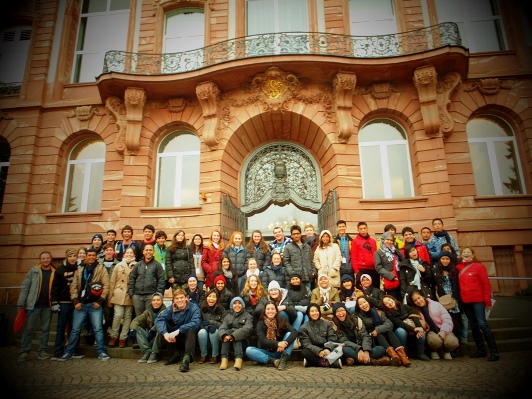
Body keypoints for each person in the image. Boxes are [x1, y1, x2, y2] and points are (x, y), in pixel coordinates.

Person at [58, 248, 110, 361]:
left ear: (96, 257)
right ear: (85, 256)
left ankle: (101, 352)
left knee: (98, 329)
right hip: (80, 305)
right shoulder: (80, 269)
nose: (91, 257)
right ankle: (69, 352)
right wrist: (75, 301)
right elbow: (73, 286)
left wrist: (100, 301)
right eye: (89, 255)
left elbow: (106, 285)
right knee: (75, 329)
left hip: (95, 305)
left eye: (93, 255)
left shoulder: (101, 269)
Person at [457, 246, 499, 361]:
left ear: (473, 254)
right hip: (465, 300)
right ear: (461, 255)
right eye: (464, 252)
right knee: (473, 325)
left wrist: (487, 301)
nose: (466, 254)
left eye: (468, 252)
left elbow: (486, 284)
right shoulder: (458, 267)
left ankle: (494, 352)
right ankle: (481, 350)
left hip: (478, 300)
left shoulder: (479, 267)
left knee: (482, 324)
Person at [17, 251, 56, 362]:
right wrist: (21, 304)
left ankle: (42, 351)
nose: (45, 260)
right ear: (40, 259)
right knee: (29, 329)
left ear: (51, 259)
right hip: (33, 306)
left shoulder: (54, 272)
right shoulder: (34, 271)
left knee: (45, 330)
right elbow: (25, 287)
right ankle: (24, 351)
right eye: (43, 258)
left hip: (47, 306)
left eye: (47, 258)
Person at [355, 296, 410, 367]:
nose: (364, 305)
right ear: (358, 306)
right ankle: (393, 355)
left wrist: (377, 330)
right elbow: (363, 332)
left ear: (368, 302)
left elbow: (389, 324)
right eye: (360, 304)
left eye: (365, 302)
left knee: (390, 332)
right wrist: (375, 332)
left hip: (383, 333)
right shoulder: (359, 317)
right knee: (379, 335)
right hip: (372, 338)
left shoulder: (378, 312)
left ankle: (403, 357)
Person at [155, 288, 201, 371]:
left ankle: (186, 360)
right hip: (174, 339)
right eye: (177, 298)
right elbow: (159, 319)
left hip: (189, 339)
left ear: (186, 298)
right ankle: (174, 354)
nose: (179, 300)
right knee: (163, 325)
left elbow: (196, 322)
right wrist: (165, 334)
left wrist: (178, 331)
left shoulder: (194, 308)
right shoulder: (171, 308)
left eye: (181, 297)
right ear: (174, 300)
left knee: (191, 329)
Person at [245, 301, 298, 370]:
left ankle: (283, 360)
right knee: (249, 350)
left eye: (272, 309)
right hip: (266, 352)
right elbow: (263, 341)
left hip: (280, 351)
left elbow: (294, 331)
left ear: (276, 311)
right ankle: (272, 361)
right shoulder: (260, 324)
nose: (270, 311)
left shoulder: (281, 321)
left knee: (289, 334)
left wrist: (285, 344)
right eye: (268, 309)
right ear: (265, 311)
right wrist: (278, 344)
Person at [409, 289, 459, 360]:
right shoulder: (416, 311)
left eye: (419, 298)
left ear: (423, 296)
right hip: (430, 332)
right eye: (415, 300)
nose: (418, 301)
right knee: (435, 341)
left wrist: (444, 331)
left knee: (451, 342)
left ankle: (446, 351)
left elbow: (447, 319)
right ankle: (434, 350)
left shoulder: (436, 304)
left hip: (442, 328)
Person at [381, 294, 429, 361]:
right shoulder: (389, 314)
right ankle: (403, 353)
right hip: (401, 329)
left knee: (421, 330)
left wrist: (419, 327)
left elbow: (414, 315)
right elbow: (400, 323)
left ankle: (420, 353)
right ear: (385, 306)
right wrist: (414, 330)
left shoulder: (404, 306)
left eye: (389, 300)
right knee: (401, 331)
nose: (389, 302)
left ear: (393, 299)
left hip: (413, 325)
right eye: (386, 303)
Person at [434, 250, 463, 357]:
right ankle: (446, 348)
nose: (445, 261)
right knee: (444, 324)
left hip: (453, 300)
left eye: (447, 259)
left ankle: (457, 348)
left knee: (456, 325)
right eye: (443, 259)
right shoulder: (436, 271)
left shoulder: (454, 271)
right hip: (442, 301)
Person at [50, 248, 78, 360]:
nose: (72, 258)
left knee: (74, 328)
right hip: (63, 302)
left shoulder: (79, 268)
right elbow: (55, 287)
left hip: (75, 303)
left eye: (74, 256)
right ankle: (58, 351)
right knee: (61, 327)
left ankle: (72, 350)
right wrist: (54, 301)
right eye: (70, 256)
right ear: (67, 257)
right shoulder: (60, 269)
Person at [108, 246, 136, 347]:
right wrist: (110, 297)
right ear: (124, 255)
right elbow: (112, 282)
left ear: (134, 255)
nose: (129, 255)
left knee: (128, 316)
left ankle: (123, 338)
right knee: (118, 315)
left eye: (131, 253)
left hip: (129, 295)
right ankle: (114, 336)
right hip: (118, 294)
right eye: (127, 253)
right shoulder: (118, 265)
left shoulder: (136, 265)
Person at [298, 303, 342, 368]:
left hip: (327, 348)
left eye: (316, 311)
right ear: (308, 313)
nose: (315, 313)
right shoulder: (303, 328)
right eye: (312, 311)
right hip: (314, 350)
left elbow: (332, 338)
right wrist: (318, 351)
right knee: (305, 352)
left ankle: (311, 362)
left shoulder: (327, 324)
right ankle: (327, 363)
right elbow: (306, 344)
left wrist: (328, 349)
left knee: (340, 349)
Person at [128, 244, 166, 317]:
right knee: (139, 317)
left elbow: (161, 281)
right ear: (143, 252)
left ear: (153, 252)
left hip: (151, 295)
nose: (148, 252)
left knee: (149, 316)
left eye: (150, 250)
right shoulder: (138, 265)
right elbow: (132, 278)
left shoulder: (157, 265)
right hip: (137, 295)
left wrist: (158, 294)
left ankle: (149, 329)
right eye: (147, 250)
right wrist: (131, 293)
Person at [218, 296, 254, 370]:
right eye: (235, 303)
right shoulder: (228, 316)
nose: (237, 305)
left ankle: (238, 359)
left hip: (243, 343)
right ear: (232, 305)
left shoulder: (248, 316)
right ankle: (224, 359)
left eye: (239, 303)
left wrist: (233, 336)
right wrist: (224, 336)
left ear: (242, 305)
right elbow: (222, 327)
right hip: (229, 343)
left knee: (236, 336)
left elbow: (248, 328)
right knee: (227, 333)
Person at [131, 292, 167, 364]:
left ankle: (155, 353)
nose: (156, 302)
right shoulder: (148, 311)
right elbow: (137, 320)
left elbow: (161, 321)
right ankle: (147, 351)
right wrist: (133, 329)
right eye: (154, 300)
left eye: (158, 300)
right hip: (150, 337)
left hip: (161, 339)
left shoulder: (166, 311)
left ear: (162, 301)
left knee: (161, 329)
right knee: (137, 327)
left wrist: (152, 330)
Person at [283, 225, 314, 290]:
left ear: (300, 234)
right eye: (294, 234)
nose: (296, 235)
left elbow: (312, 260)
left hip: (307, 277)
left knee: (307, 295)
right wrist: (293, 274)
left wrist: (313, 272)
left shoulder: (307, 246)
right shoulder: (288, 247)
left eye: (297, 233)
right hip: (295, 279)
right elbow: (286, 262)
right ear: (291, 236)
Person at [198, 288, 224, 364]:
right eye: (209, 296)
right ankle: (203, 355)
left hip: (215, 334)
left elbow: (222, 324)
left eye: (214, 297)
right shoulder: (201, 308)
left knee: (215, 332)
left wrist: (211, 322)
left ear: (217, 299)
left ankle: (215, 355)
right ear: (206, 298)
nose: (211, 299)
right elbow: (200, 323)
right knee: (201, 332)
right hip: (204, 332)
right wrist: (208, 327)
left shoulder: (221, 309)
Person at [374, 231, 403, 300]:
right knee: (393, 300)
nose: (389, 242)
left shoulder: (394, 250)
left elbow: (403, 259)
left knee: (402, 300)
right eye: (387, 239)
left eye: (391, 240)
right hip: (390, 279)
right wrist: (391, 276)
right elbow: (378, 268)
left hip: (400, 278)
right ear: (383, 240)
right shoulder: (378, 252)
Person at [351, 221, 378, 288]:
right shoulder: (355, 241)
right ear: (358, 230)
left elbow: (376, 255)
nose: (363, 230)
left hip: (373, 269)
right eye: (361, 229)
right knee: (362, 290)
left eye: (364, 228)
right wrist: (356, 270)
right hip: (361, 269)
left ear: (367, 228)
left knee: (375, 289)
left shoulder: (373, 241)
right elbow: (353, 256)